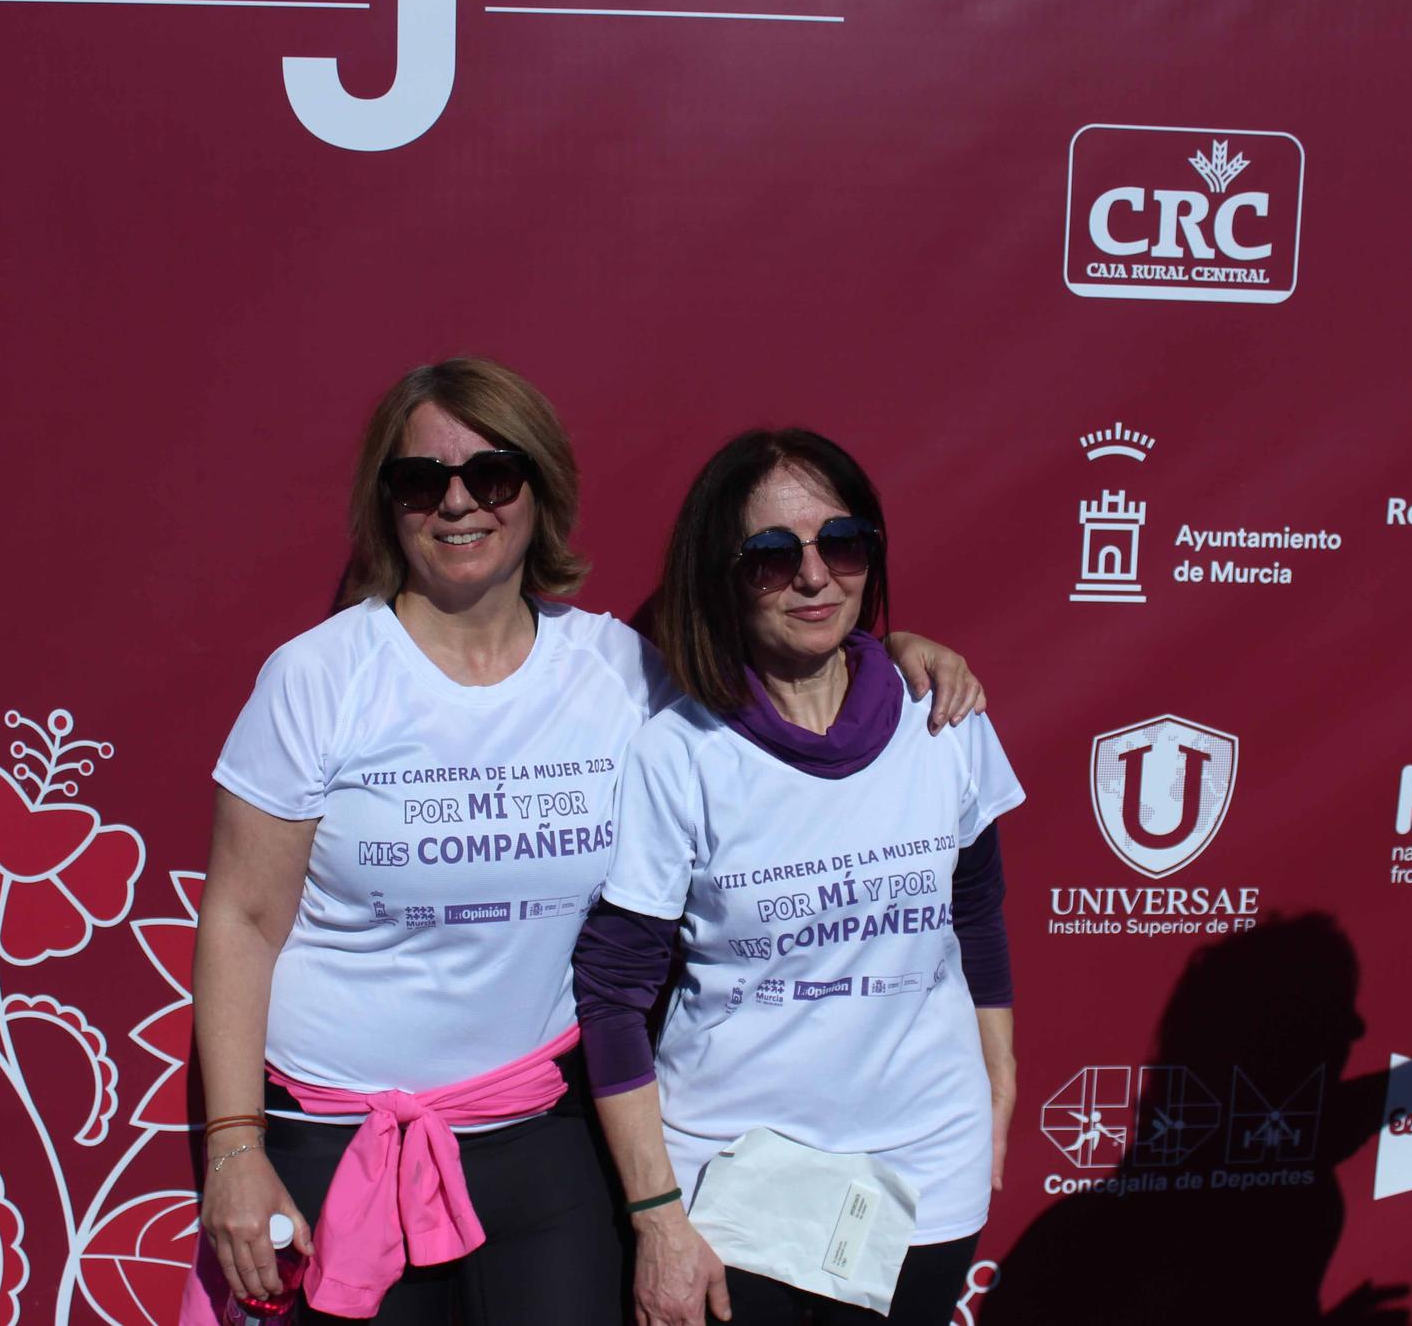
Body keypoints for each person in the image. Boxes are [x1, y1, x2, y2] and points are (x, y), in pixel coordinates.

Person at [191, 363, 983, 1325]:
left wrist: (897, 654)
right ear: (384, 502)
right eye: (420, 481)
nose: (457, 502)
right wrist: (235, 1149)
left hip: (549, 1144)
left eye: (492, 474)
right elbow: (241, 918)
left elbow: (779, 681)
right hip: (342, 1144)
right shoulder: (317, 680)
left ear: (542, 490)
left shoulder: (617, 669)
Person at [574, 428, 1022, 1326]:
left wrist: (1000, 1071)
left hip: (923, 1175)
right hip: (737, 1198)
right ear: (725, 576)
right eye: (774, 555)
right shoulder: (679, 754)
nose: (816, 578)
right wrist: (657, 1210)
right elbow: (613, 995)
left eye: (843, 542)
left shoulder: (946, 716)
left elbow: (974, 914)